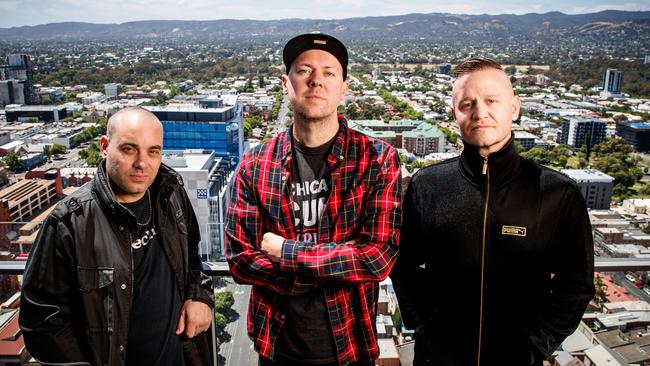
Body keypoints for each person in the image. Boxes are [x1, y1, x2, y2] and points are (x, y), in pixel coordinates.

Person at [391, 57, 595, 366]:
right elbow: (402, 263)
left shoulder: (557, 193)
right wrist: (424, 325)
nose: (480, 113)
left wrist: (536, 344)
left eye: (491, 100)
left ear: (514, 107)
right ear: (454, 114)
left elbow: (576, 284)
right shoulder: (427, 186)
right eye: (467, 104)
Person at [225, 33, 401, 366]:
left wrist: (285, 251)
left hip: (350, 347)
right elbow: (240, 259)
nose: (316, 80)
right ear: (285, 84)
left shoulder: (377, 159)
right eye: (304, 70)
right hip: (277, 349)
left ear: (344, 88)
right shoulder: (254, 163)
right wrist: (332, 266)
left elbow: (378, 258)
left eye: (329, 72)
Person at [19, 106, 214, 365]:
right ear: (104, 146)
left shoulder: (171, 193)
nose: (142, 163)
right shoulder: (69, 222)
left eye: (153, 151)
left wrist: (200, 295)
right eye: (129, 148)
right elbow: (42, 323)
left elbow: (191, 256)